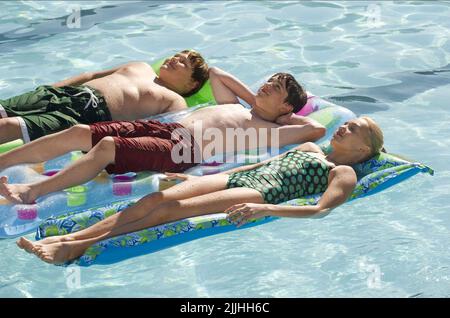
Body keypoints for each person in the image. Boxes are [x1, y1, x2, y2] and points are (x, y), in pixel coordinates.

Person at [17, 117, 384, 264]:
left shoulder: (344, 172)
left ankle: (72, 247)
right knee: (154, 198)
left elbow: (321, 210)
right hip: (241, 179)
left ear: (365, 149)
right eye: (346, 124)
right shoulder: (309, 149)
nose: (344, 128)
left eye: (354, 130)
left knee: (166, 213)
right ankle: (71, 238)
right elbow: (254, 166)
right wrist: (194, 180)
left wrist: (268, 210)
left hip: (263, 195)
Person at [0, 72, 323, 204]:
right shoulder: (236, 106)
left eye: (275, 88)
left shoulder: (272, 129)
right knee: (79, 133)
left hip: (184, 149)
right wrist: (255, 99)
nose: (266, 85)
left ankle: (32, 191)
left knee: (108, 147)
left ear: (286, 106)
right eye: (269, 81)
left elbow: (316, 129)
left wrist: (284, 115)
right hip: (165, 129)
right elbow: (216, 73)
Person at [0, 49, 209, 144]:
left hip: (89, 115)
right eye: (176, 56)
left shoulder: (174, 100)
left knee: (9, 126)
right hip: (63, 94)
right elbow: (90, 76)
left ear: (192, 83)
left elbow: (158, 134)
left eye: (183, 63)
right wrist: (48, 89)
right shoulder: (141, 66)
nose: (174, 59)